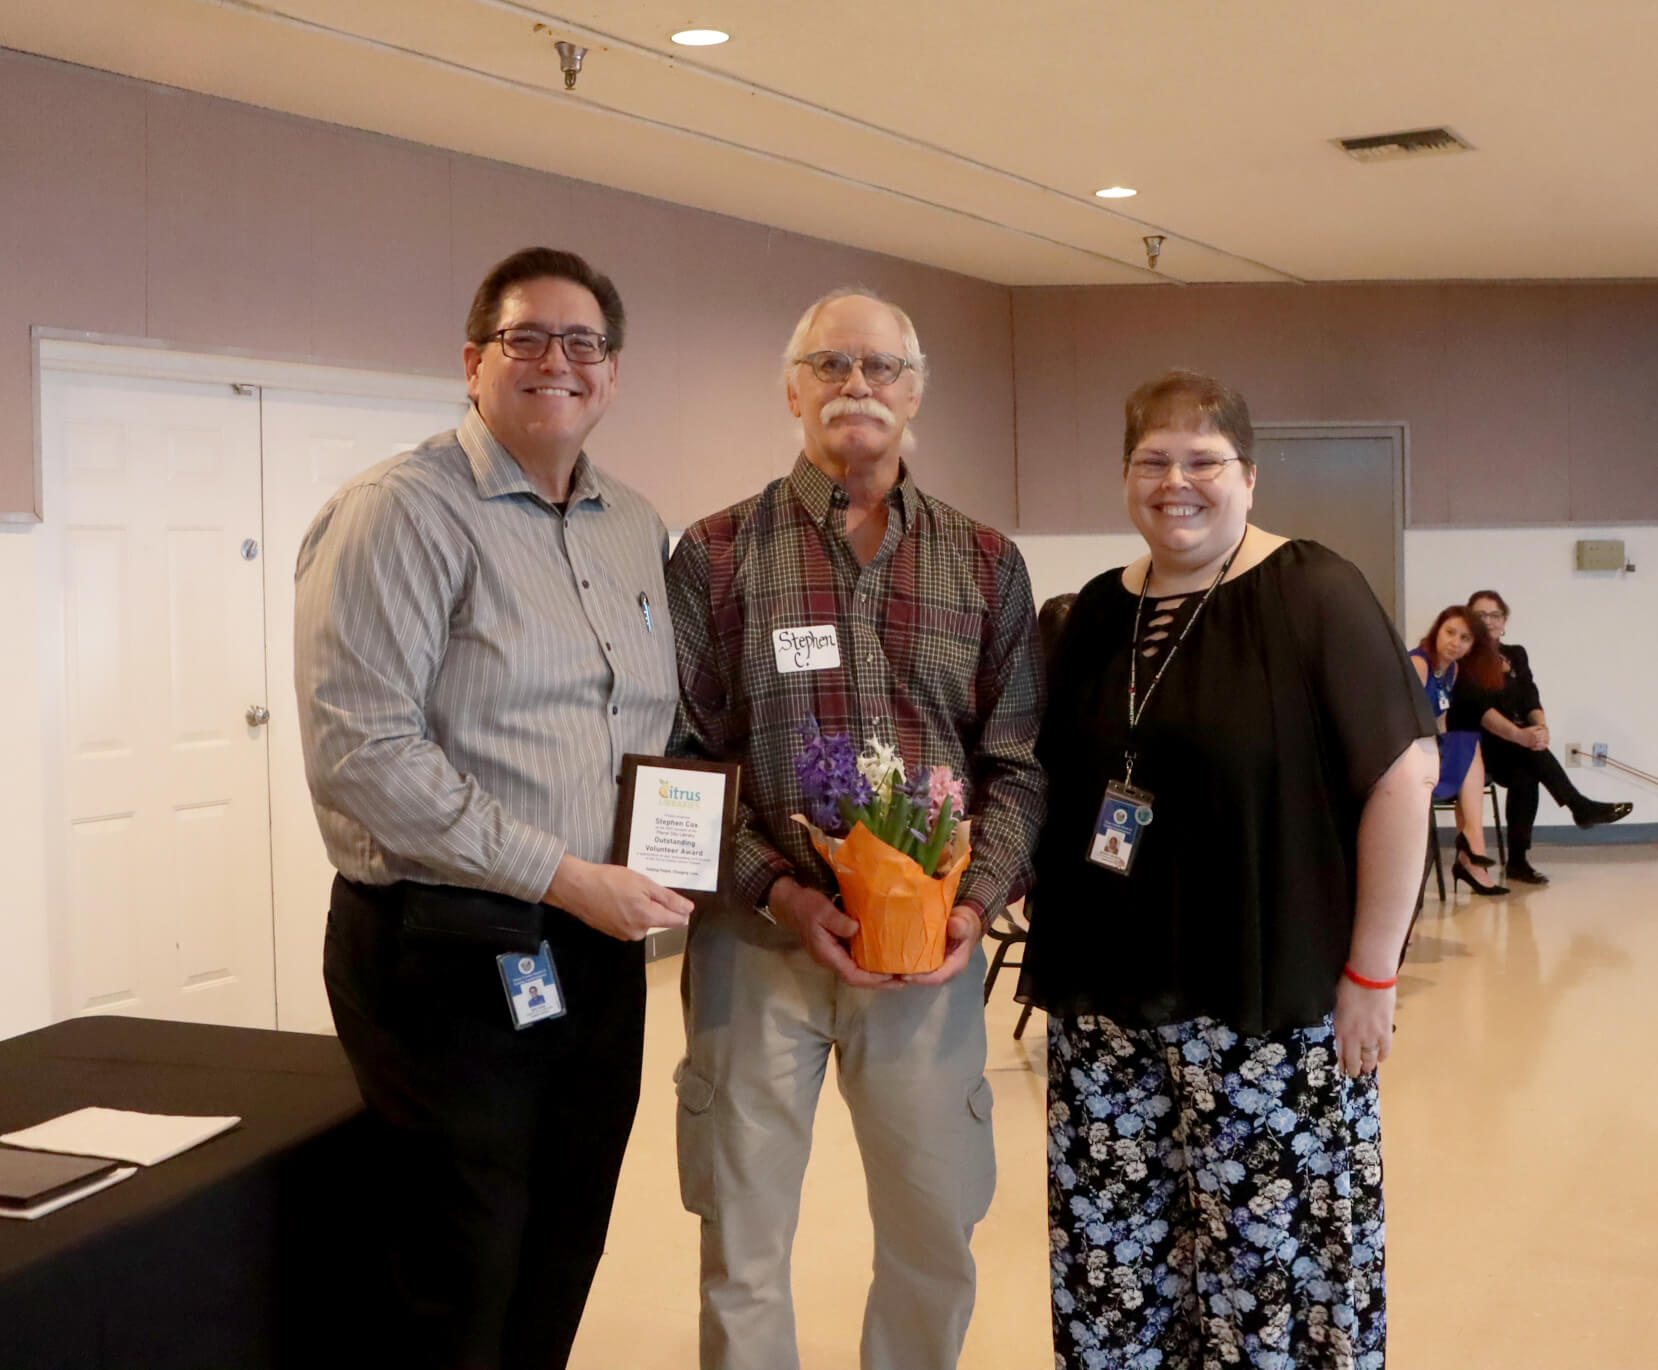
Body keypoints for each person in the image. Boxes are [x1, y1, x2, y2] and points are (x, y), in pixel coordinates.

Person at [294, 246, 693, 1370]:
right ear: (474, 361)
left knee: (567, 1229)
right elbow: (364, 755)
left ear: (610, 376)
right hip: (446, 947)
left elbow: (643, 724)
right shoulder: (399, 512)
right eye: (526, 339)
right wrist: (566, 874)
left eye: (582, 345)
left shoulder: (630, 522)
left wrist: (673, 862)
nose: (554, 363)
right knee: (463, 1254)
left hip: (597, 945)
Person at [1018, 370, 1439, 1370]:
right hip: (1109, 1010)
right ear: (1125, 476)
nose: (1177, 482)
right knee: (1115, 1269)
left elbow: (1401, 775)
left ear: (1246, 475)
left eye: (1202, 460)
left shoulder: (1312, 590)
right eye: (1151, 461)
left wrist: (1371, 972)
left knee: (1268, 1276)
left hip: (1268, 1009)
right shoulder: (1092, 618)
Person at [665, 287, 1046, 1370]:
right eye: (828, 365)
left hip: (926, 959)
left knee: (935, 1235)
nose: (855, 386)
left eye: (880, 367)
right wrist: (779, 891)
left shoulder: (984, 562)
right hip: (757, 948)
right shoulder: (716, 556)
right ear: (791, 390)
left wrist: (973, 902)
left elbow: (1015, 764)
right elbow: (685, 767)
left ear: (914, 392)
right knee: (741, 1241)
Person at [1456, 589, 1634, 884]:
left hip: (1515, 744)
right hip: (1477, 746)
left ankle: (1517, 861)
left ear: (1504, 621)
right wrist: (1521, 736)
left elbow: (1530, 698)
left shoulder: (1516, 654)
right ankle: (1579, 806)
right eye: (1480, 615)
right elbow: (1481, 712)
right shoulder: (1465, 660)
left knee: (1526, 771)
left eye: (1494, 615)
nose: (1488, 621)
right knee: (1528, 755)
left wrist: (1540, 729)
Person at [1410, 605, 1508, 895]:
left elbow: (1440, 719)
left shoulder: (1451, 669)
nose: (1456, 643)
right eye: (1450, 633)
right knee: (1467, 745)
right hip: (1406, 753)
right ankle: (1472, 845)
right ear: (1436, 631)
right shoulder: (1419, 664)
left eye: (1465, 639)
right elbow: (1401, 721)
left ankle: (1472, 844)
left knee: (1466, 742)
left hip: (1429, 748)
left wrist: (1444, 748)